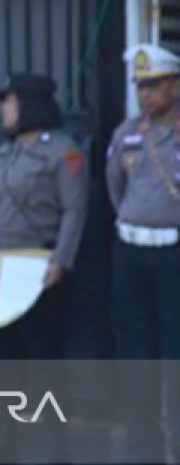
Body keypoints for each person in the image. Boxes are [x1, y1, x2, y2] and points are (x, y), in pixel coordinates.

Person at [0, 74, 86, 460]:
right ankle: (1, 443)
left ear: (30, 104)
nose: (3, 110)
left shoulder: (63, 152)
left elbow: (74, 211)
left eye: (9, 101)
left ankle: (48, 448)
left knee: (42, 363)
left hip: (35, 266)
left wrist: (61, 263)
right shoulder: (1, 154)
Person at [105, 44, 180, 462]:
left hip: (175, 253)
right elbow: (115, 186)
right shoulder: (127, 133)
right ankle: (143, 451)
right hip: (132, 251)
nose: (145, 95)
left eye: (153, 86)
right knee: (137, 357)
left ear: (175, 85)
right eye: (140, 87)